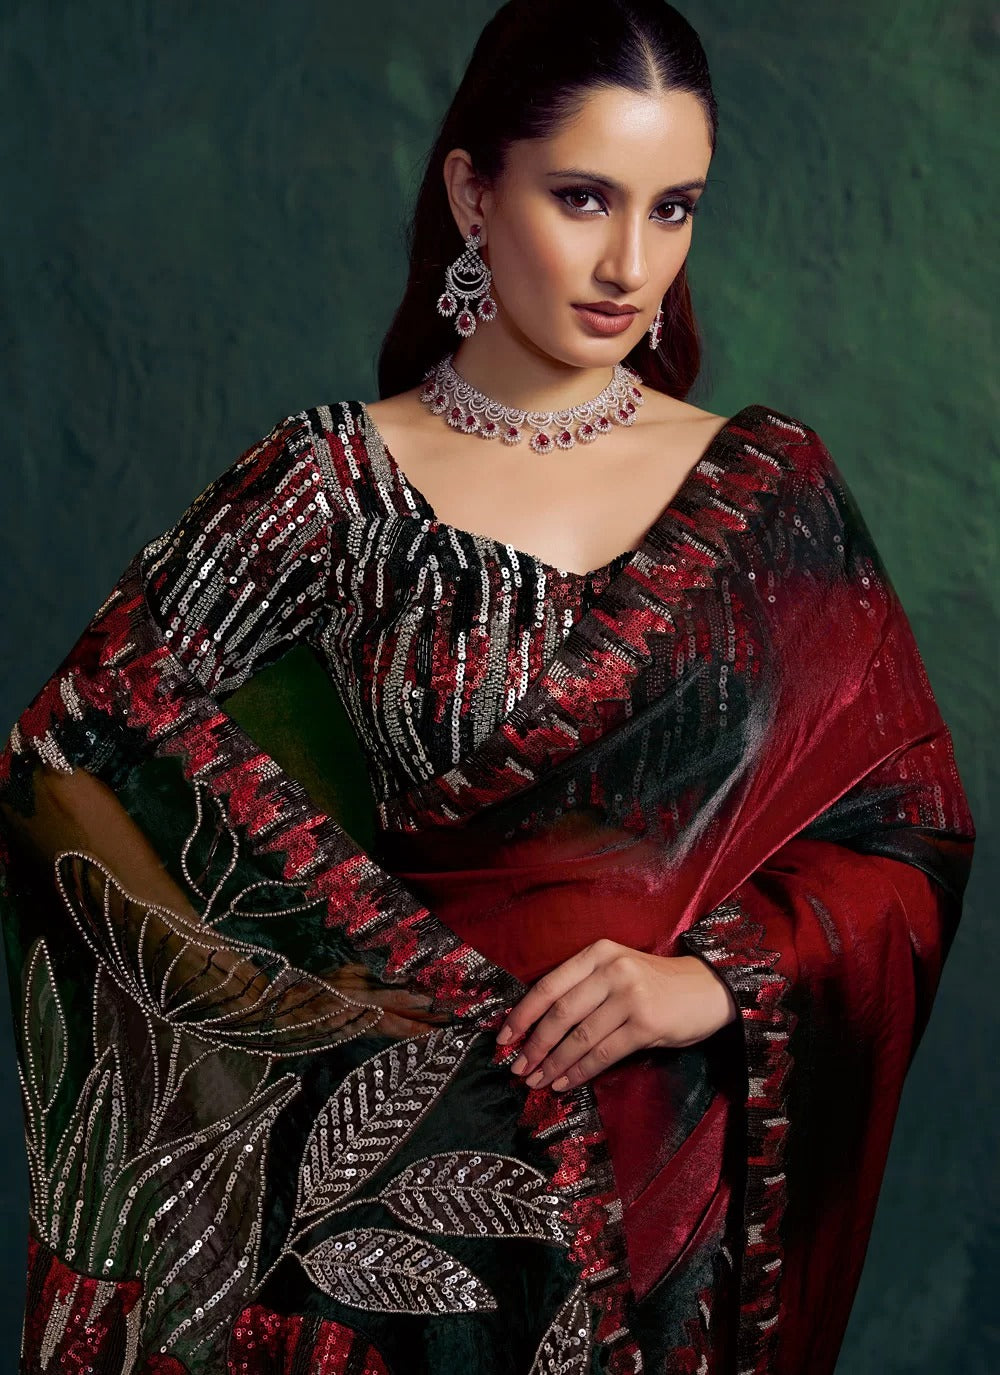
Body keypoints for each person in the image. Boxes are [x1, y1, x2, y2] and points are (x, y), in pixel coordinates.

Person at [0, 1, 975, 1372]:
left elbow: (908, 832)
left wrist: (710, 983)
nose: (630, 263)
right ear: (472, 192)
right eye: (582, 198)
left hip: (674, 1201)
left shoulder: (768, 495)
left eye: (674, 208)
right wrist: (281, 1007)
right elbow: (62, 758)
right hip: (414, 1205)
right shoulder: (337, 491)